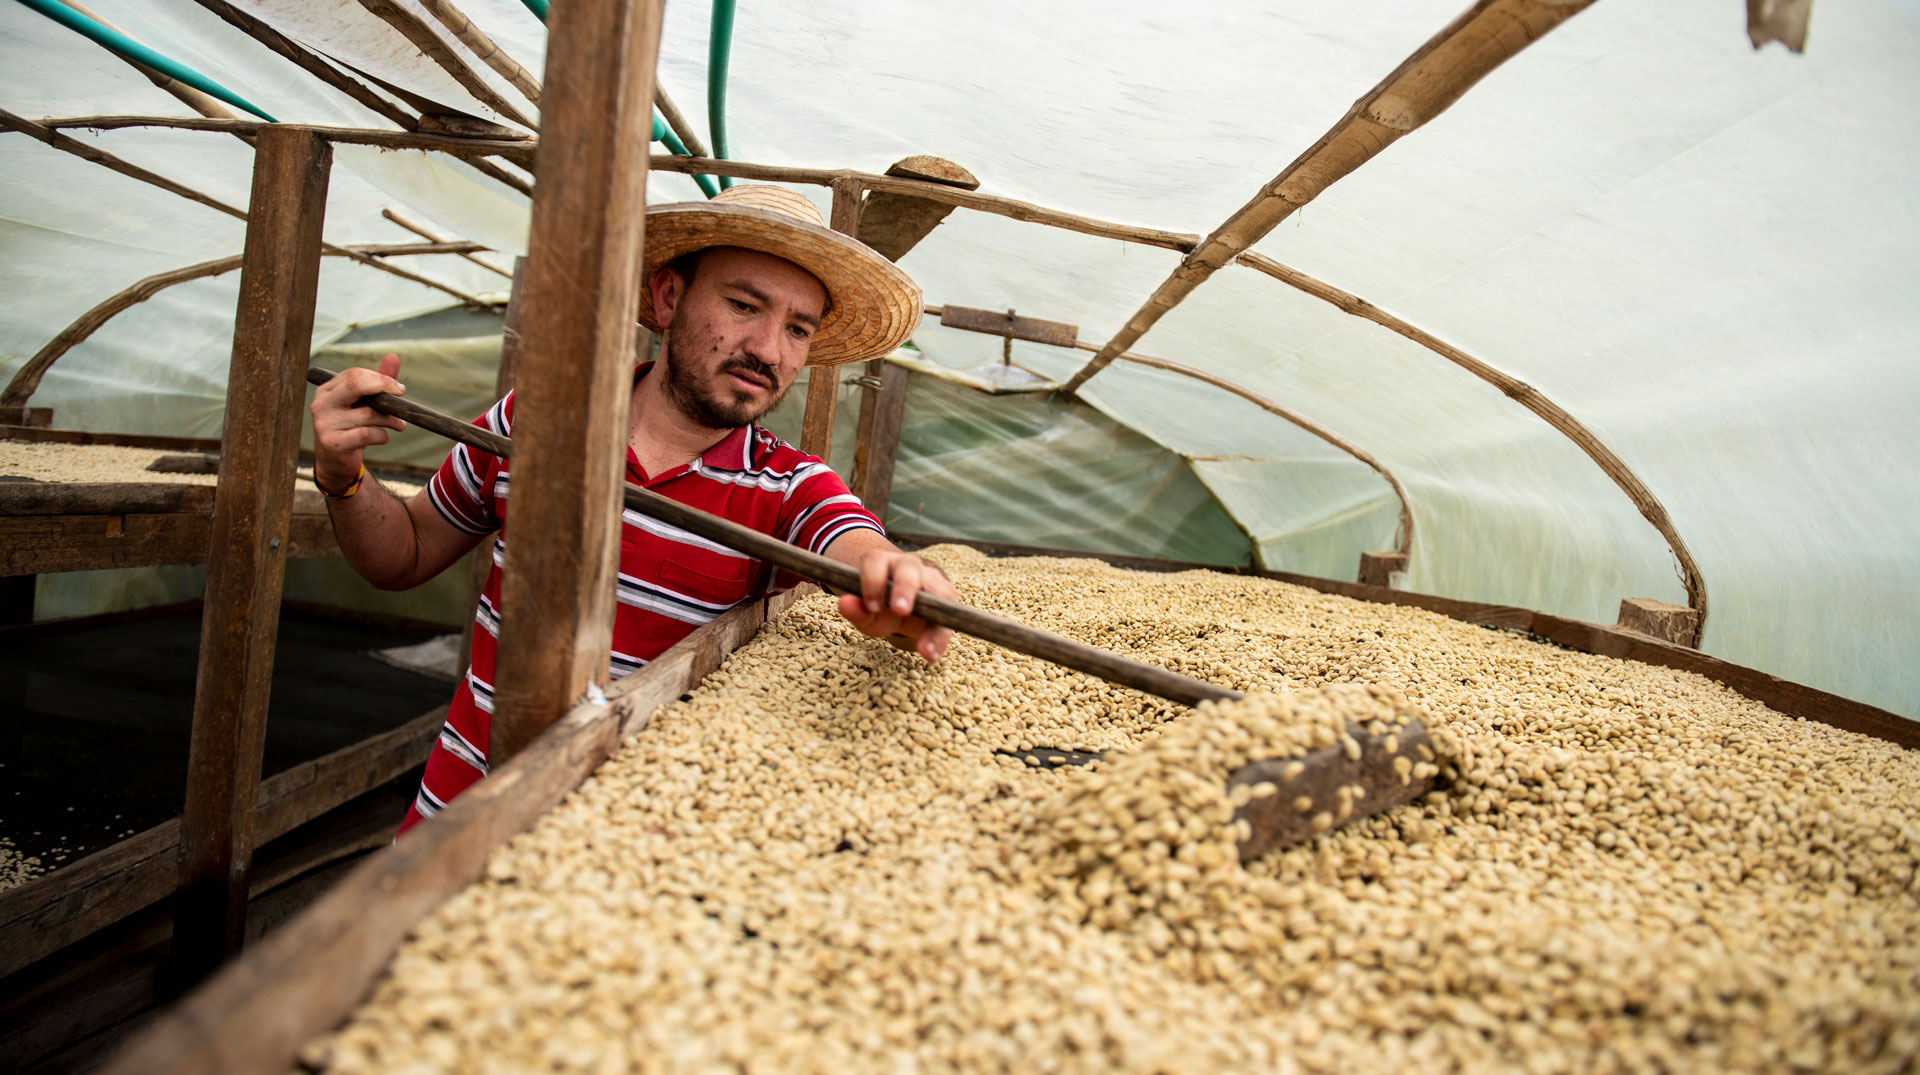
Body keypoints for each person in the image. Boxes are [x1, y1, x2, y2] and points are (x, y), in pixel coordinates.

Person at [309, 185, 957, 833]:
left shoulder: (787, 487)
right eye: (742, 305)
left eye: (797, 329)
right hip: (451, 820)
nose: (768, 349)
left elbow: (856, 544)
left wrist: (899, 588)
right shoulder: (536, 419)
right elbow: (405, 553)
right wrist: (344, 474)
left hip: (629, 856)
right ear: (669, 297)